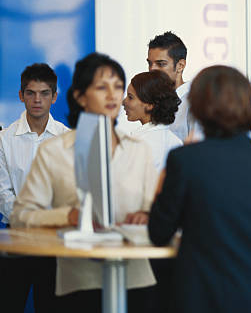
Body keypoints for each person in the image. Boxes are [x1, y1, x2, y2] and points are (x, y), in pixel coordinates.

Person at [11, 53, 158, 313]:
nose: (113, 96)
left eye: (117, 87)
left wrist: (146, 215)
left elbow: (157, 210)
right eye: (102, 87)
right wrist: (68, 215)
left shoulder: (139, 150)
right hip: (79, 281)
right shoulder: (54, 151)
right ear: (80, 96)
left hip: (135, 279)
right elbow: (23, 215)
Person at [148, 65, 251, 313]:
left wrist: (163, 180)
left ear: (197, 106)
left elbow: (159, 232)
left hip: (201, 294)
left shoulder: (184, 160)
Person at [0, 63, 69, 313]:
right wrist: (28, 219)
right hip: (15, 237)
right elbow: (2, 192)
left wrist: (48, 220)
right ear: (21, 96)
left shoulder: (66, 137)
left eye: (44, 93)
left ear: (54, 97)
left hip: (55, 239)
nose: (37, 100)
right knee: (9, 304)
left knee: (52, 307)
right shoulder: (4, 139)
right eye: (30, 93)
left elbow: (70, 192)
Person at [123, 70, 182, 173]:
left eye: (130, 97)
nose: (123, 102)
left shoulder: (139, 144)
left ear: (150, 104)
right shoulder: (176, 142)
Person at [147, 31, 201, 141]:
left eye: (161, 64)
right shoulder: (153, 101)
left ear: (180, 66)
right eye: (150, 63)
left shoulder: (195, 102)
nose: (152, 69)